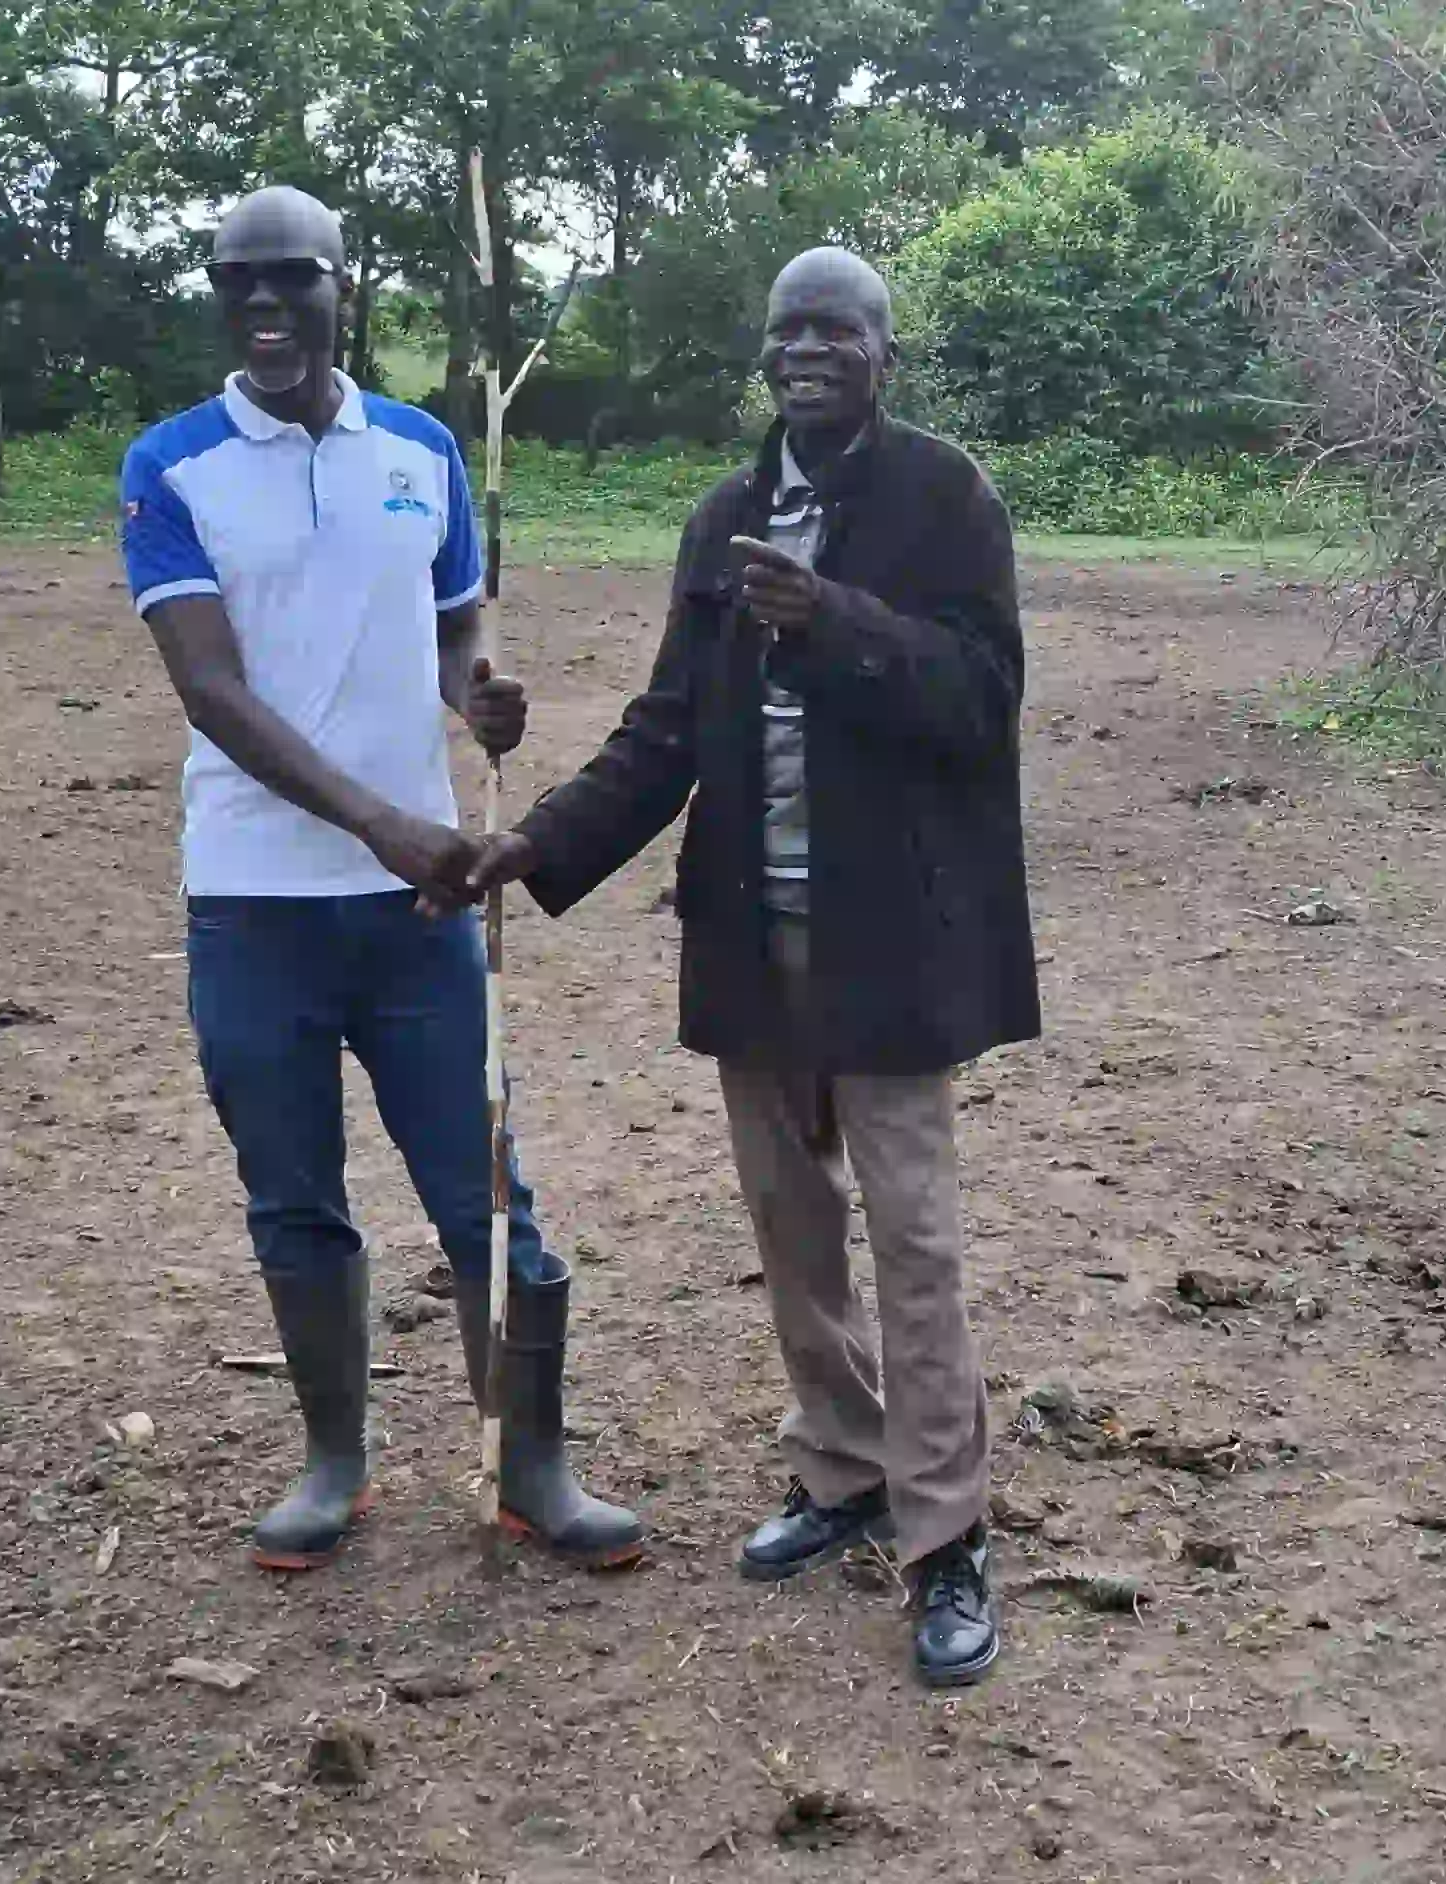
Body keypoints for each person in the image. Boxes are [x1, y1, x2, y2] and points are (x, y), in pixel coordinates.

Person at [456, 247, 1034, 1685]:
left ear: (885, 356)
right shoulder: (722, 517)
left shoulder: (944, 499)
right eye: (787, 330)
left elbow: (982, 702)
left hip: (893, 939)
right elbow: (666, 733)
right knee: (793, 1235)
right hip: (751, 939)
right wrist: (534, 844)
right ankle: (841, 1472)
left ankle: (945, 1534)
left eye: (838, 328)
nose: (809, 350)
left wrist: (832, 622)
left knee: (914, 1242)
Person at [121, 185, 641, 1574]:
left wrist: (480, 697)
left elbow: (451, 616)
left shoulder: (420, 451)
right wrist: (377, 823)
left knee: (485, 1192)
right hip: (252, 904)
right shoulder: (168, 467)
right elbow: (215, 693)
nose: (265, 307)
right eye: (237, 284)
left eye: (292, 280)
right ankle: (333, 1461)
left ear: (345, 287)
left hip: (423, 910)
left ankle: (533, 1466)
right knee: (292, 1195)